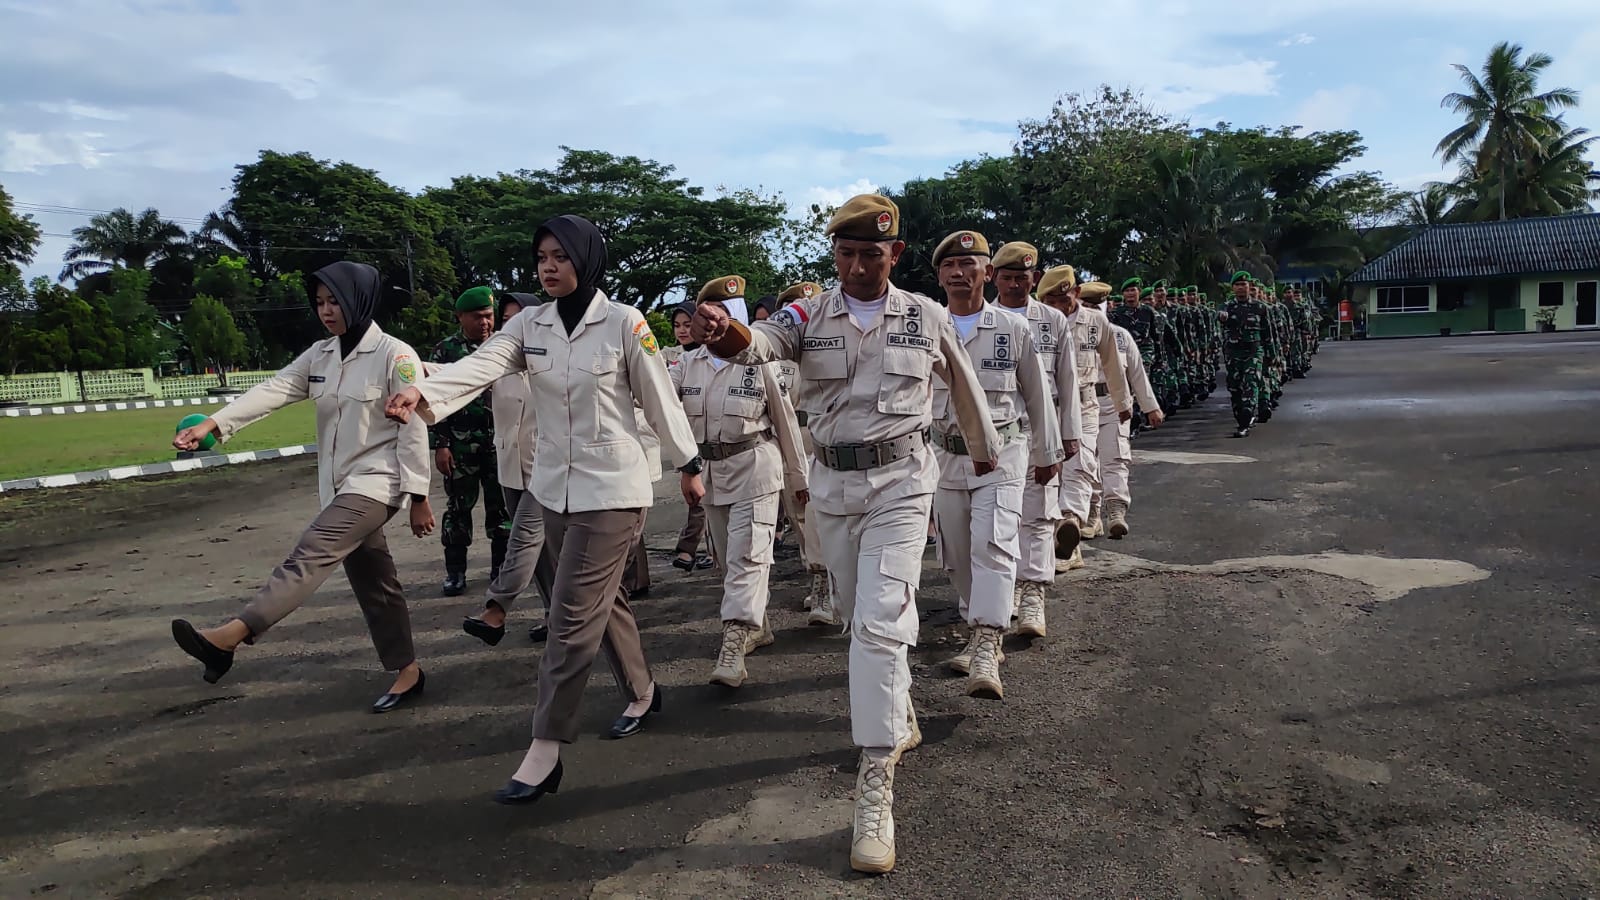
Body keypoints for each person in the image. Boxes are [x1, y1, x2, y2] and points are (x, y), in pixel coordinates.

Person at [689, 194, 999, 875]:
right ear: (834, 256)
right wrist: (726, 332)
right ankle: (900, 716)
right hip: (833, 487)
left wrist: (983, 449)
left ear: (896, 254)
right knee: (862, 623)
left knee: (883, 625)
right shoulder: (811, 313)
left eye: (872, 254)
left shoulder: (925, 315)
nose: (858, 266)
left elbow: (965, 383)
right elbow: (764, 342)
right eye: (846, 254)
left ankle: (874, 784)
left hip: (903, 481)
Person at [385, 214, 704, 804]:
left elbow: (658, 399)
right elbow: (480, 366)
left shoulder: (624, 323)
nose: (549, 267)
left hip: (612, 490)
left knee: (570, 616)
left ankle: (545, 748)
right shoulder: (528, 324)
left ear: (586, 258)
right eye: (541, 258)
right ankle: (643, 690)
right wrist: (425, 391)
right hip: (553, 488)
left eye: (560, 255)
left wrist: (689, 465)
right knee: (604, 605)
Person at [169, 261, 435, 712]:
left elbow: (413, 429)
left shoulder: (397, 356)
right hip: (338, 486)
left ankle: (232, 635)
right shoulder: (320, 354)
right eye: (320, 303)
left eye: (335, 301)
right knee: (376, 583)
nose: (327, 311)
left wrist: (420, 497)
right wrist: (214, 422)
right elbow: (274, 390)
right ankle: (408, 672)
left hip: (379, 481)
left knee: (309, 553)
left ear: (360, 299)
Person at [926, 231, 1061, 696]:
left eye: (969, 264)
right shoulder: (926, 327)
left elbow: (1037, 396)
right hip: (944, 455)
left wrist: (1048, 454)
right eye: (950, 266)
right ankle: (978, 617)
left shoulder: (1012, 328)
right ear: (939, 276)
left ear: (988, 273)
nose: (959, 273)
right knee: (957, 554)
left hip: (1004, 454)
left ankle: (986, 641)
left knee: (994, 543)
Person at [673, 275, 808, 687]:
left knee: (749, 556)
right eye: (709, 312)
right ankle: (759, 625)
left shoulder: (760, 362)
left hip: (756, 467)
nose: (716, 322)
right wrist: (686, 468)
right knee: (727, 559)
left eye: (726, 313)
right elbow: (666, 413)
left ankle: (733, 639)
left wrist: (798, 477)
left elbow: (785, 422)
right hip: (712, 474)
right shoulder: (686, 365)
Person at [988, 242, 1078, 637]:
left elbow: (1067, 379)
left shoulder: (1052, 321)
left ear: (1034, 280)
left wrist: (1069, 434)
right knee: (1000, 518)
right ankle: (1002, 590)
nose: (1014, 285)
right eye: (1007, 278)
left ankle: (1033, 596)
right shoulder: (981, 317)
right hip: (997, 433)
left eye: (1022, 279)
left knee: (1040, 513)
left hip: (1041, 429)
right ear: (994, 277)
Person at [1042, 266, 1133, 562]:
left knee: (1080, 463)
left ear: (1076, 293)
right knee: (1046, 474)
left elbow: (1112, 364)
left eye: (1064, 298)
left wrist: (1122, 403)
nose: (1060, 306)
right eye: (1052, 301)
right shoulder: (1036, 321)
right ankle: (1067, 547)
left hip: (1085, 405)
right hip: (1047, 407)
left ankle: (1071, 518)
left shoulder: (1096, 321)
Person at [427, 286, 511, 596]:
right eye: (478, 317)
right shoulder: (446, 351)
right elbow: (434, 401)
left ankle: (500, 570)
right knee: (458, 508)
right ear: (460, 317)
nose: (485, 323)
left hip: (500, 444)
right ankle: (455, 572)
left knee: (501, 509)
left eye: (489, 316)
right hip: (460, 446)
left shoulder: (504, 347)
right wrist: (441, 444)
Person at [773, 280, 837, 625]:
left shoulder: (831, 346)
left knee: (820, 513)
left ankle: (826, 579)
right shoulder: (779, 354)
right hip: (792, 436)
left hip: (824, 435)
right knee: (800, 514)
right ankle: (816, 572)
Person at [1078, 282, 1163, 541]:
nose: (1091, 311)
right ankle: (1092, 516)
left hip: (1116, 406)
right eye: (1087, 306)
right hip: (1083, 406)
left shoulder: (1120, 336)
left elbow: (1137, 373)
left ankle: (1116, 511)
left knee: (1115, 459)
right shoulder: (1071, 334)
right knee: (1086, 462)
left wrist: (1151, 408)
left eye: (1096, 307)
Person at [669, 301, 715, 573]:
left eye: (688, 324)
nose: (682, 330)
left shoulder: (712, 354)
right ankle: (701, 549)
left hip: (716, 439)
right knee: (698, 498)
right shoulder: (677, 358)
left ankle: (690, 550)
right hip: (688, 439)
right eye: (677, 325)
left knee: (703, 499)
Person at [1220, 272, 1268, 437]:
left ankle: (1247, 417)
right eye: (1238, 285)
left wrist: (1272, 353)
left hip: (1253, 351)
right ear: (1233, 288)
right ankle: (1242, 418)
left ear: (1249, 287)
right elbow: (1217, 319)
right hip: (1233, 353)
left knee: (1251, 382)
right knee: (1235, 387)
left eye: (1244, 284)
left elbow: (1268, 333)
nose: (1241, 288)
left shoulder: (1260, 307)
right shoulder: (1227, 307)